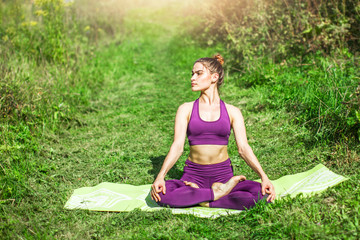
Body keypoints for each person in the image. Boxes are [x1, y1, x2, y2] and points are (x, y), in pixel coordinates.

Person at [150, 54, 275, 210]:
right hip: (193, 176)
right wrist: (160, 176)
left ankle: (202, 197)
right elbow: (177, 146)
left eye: (199, 73)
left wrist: (264, 177)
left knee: (262, 195)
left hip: (223, 176)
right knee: (160, 194)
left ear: (214, 77)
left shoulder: (232, 112)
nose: (192, 78)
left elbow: (243, 148)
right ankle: (216, 195)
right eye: (192, 73)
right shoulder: (186, 109)